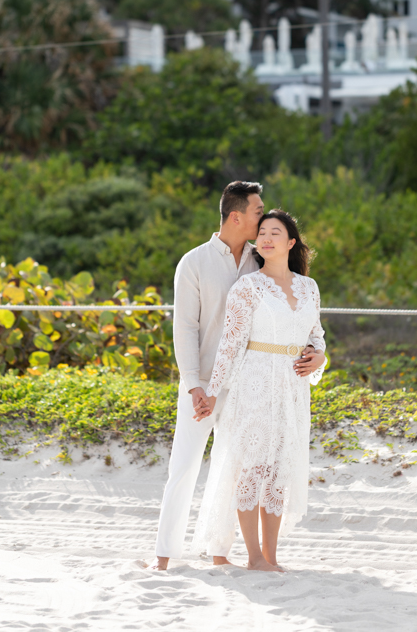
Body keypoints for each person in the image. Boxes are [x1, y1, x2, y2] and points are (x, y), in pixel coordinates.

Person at [149, 185, 322, 572]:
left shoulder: (255, 259)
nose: (264, 221)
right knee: (185, 466)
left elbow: (301, 324)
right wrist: (195, 385)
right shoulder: (193, 263)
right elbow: (184, 329)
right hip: (203, 382)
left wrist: (318, 353)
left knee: (234, 465)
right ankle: (163, 556)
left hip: (247, 384)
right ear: (237, 216)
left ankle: (220, 550)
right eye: (259, 212)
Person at [192, 209, 327, 572]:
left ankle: (271, 556)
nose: (265, 238)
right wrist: (213, 391)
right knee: (252, 468)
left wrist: (319, 357)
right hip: (253, 382)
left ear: (291, 242)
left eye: (275, 233)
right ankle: (252, 556)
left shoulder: (308, 287)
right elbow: (230, 345)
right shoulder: (247, 287)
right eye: (262, 232)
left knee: (280, 470)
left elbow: (317, 337)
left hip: (293, 388)